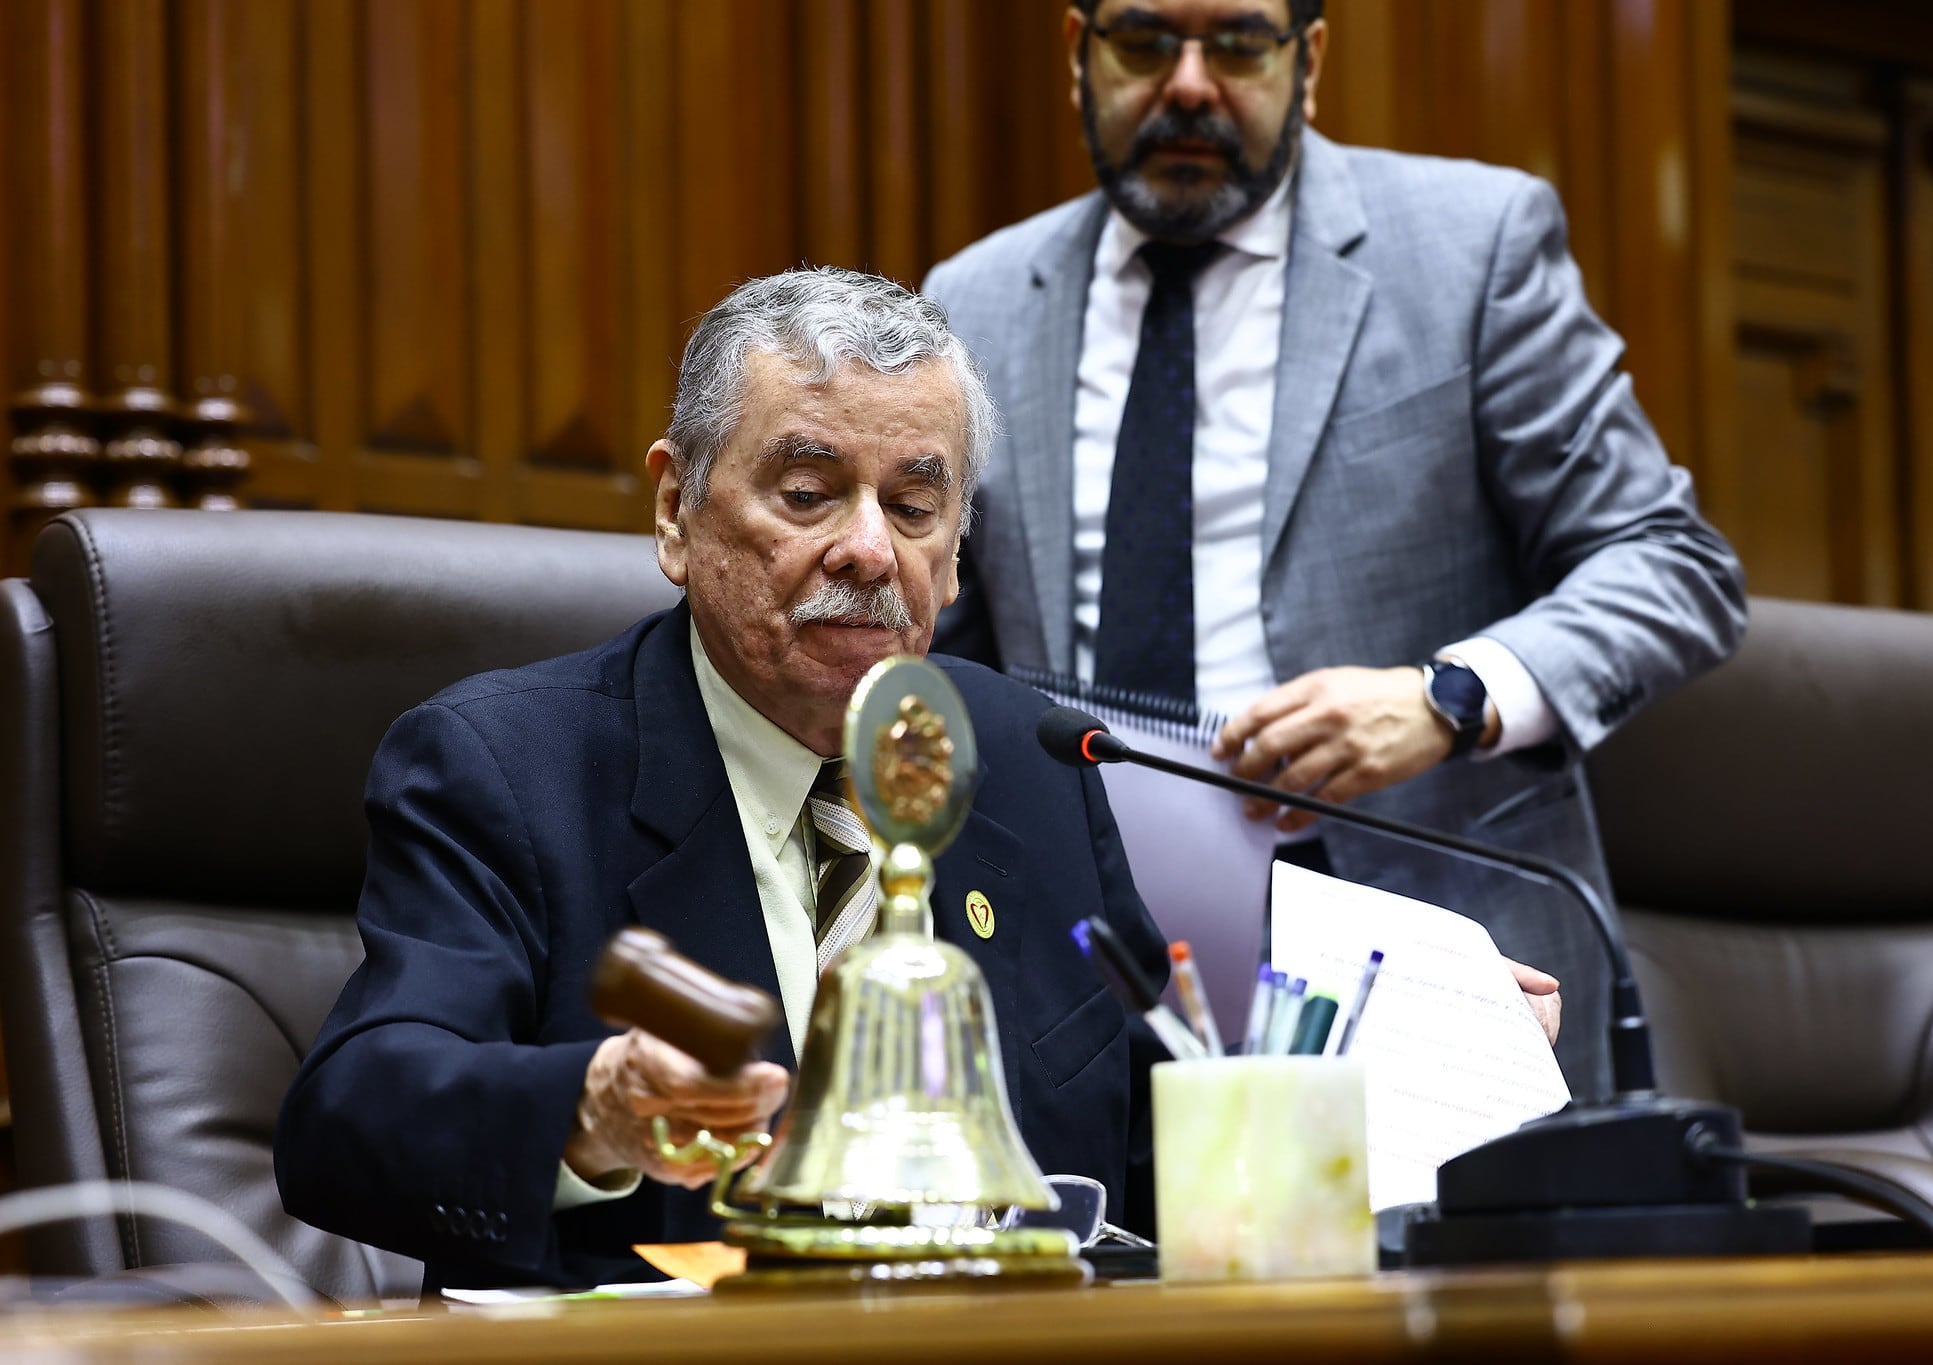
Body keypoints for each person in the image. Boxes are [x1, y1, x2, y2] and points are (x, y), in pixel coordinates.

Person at [274, 268, 1169, 1291]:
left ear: (957, 554)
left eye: (915, 506)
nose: (871, 551)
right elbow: (348, 1118)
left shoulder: (1025, 758)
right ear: (674, 511)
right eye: (808, 495)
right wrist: (591, 1112)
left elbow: (1166, 1137)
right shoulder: (504, 771)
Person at [922, 0, 1747, 1098]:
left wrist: (1445, 696)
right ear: (1076, 50)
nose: (1186, 85)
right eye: (1141, 42)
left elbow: (1667, 563)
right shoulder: (969, 302)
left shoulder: (1472, 245)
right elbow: (945, 656)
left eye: (1238, 44)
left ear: (1307, 60)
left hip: (1420, 951)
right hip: (1086, 961)